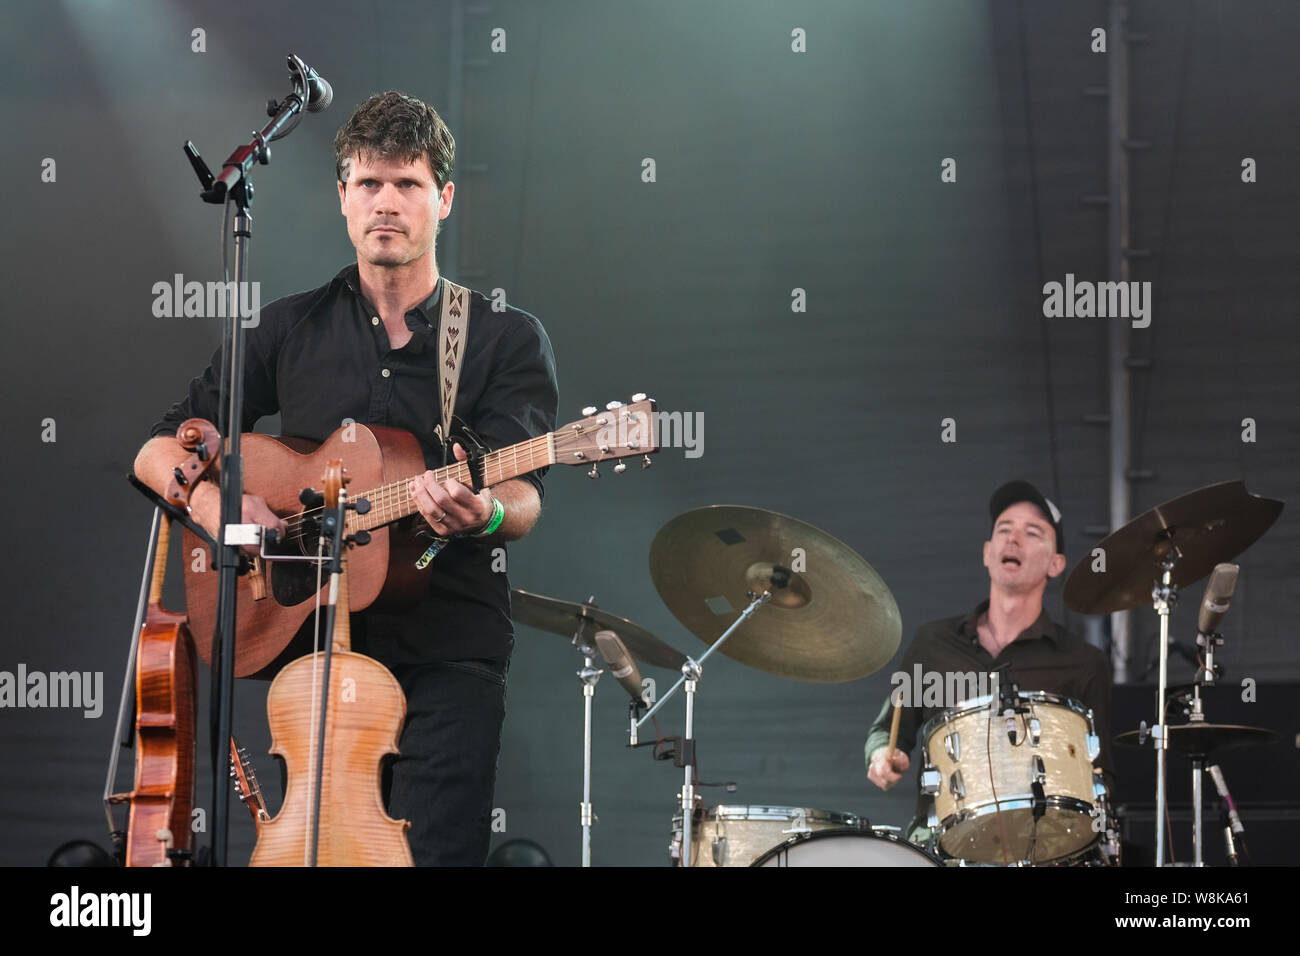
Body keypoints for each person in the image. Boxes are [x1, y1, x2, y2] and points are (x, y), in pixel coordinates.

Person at [133, 91, 559, 865]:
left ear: (445, 198)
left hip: (447, 654)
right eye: (369, 184)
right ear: (342, 198)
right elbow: (159, 448)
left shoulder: (501, 337)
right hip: (311, 661)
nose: (387, 203)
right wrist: (219, 505)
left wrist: (485, 513)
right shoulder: (288, 327)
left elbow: (526, 495)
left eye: (407, 184)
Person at [864, 480, 1113, 857]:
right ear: (987, 553)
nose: (1013, 540)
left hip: (1043, 851)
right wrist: (883, 756)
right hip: (943, 849)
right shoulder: (932, 644)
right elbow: (888, 730)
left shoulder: (1083, 662)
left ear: (1056, 563)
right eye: (1003, 530)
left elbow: (1101, 777)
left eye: (1032, 533)